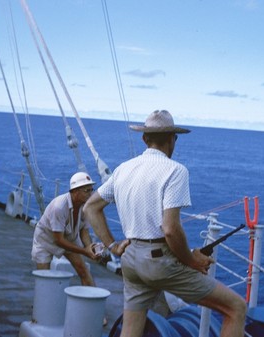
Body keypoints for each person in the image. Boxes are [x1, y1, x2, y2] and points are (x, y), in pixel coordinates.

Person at [84, 110, 247, 337]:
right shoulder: (175, 171)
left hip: (130, 260)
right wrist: (192, 261)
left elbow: (90, 207)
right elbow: (170, 229)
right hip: (159, 262)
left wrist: (112, 246)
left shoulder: (123, 169)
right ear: (173, 138)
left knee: (131, 328)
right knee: (236, 307)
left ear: (144, 139)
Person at [31, 172, 101, 286]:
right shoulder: (59, 207)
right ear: (75, 191)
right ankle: (43, 302)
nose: (91, 194)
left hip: (69, 238)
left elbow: (84, 231)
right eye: (87, 191)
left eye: (91, 190)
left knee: (84, 272)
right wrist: (84, 251)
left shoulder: (85, 206)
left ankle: (88, 300)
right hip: (45, 240)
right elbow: (58, 240)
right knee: (43, 278)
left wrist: (90, 247)